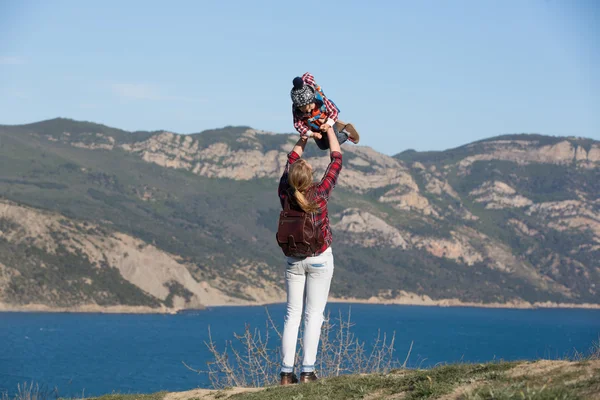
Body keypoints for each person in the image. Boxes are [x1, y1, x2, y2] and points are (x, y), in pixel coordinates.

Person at [277, 126, 343, 385]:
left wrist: (303, 138)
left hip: (293, 260)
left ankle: (285, 374)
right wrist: (329, 132)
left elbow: (290, 160)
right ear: (310, 179)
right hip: (319, 258)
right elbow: (336, 160)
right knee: (314, 315)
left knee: (292, 315)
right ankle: (307, 372)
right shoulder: (320, 193)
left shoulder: (284, 193)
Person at [290, 72, 360, 150]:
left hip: (325, 120)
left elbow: (333, 111)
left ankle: (346, 133)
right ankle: (336, 127)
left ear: (313, 100)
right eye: (302, 109)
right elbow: (298, 124)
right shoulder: (296, 109)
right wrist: (311, 134)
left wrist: (327, 124)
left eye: (310, 107)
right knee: (323, 146)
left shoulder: (321, 99)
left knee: (333, 141)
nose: (308, 111)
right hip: (315, 128)